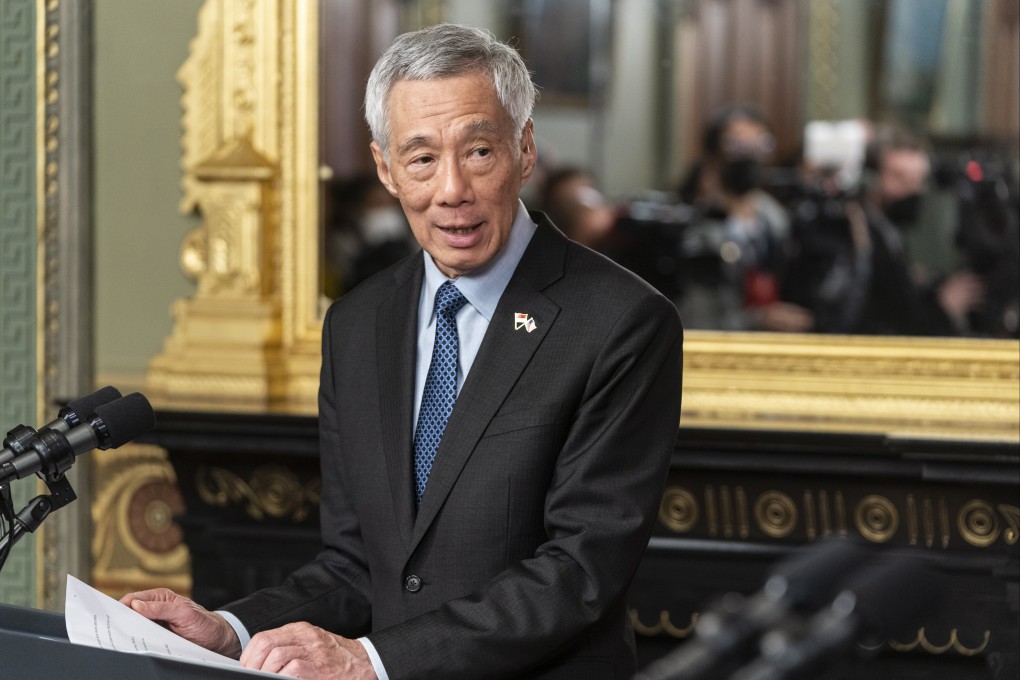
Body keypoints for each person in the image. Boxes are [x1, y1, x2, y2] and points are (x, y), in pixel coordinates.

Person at [121, 23, 684, 680]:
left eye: (478, 152)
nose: (451, 190)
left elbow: (580, 572)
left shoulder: (621, 321)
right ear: (386, 169)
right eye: (421, 159)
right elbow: (355, 563)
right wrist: (230, 629)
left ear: (526, 150)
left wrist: (373, 660)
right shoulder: (359, 324)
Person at [785, 124, 983, 335]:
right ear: (871, 176)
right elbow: (869, 318)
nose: (911, 190)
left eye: (918, 179)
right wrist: (942, 306)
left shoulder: (888, 230)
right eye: (899, 177)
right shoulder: (847, 231)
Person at [677, 104, 812, 332]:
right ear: (714, 154)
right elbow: (696, 314)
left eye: (759, 143)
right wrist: (756, 320)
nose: (749, 154)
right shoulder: (695, 225)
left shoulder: (781, 222)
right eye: (737, 144)